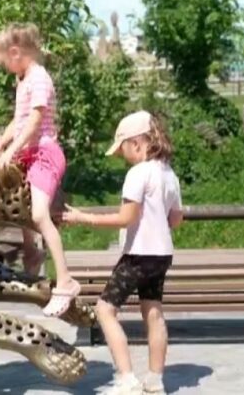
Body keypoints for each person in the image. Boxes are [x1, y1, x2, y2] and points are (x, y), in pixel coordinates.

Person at [63, 111, 182, 395]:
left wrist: (83, 217)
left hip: (139, 254)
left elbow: (125, 217)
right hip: (162, 254)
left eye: (124, 148)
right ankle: (155, 380)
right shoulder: (169, 173)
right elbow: (176, 219)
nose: (122, 155)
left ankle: (126, 379)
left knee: (105, 310)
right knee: (153, 313)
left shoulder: (138, 173)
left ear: (138, 142)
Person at [0, 22, 78, 316]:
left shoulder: (39, 78)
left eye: (4, 61)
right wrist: (1, 145)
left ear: (15, 52)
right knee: (24, 213)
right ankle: (32, 255)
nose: (4, 67)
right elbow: (18, 119)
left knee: (39, 214)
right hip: (29, 156)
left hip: (44, 154)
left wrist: (12, 151)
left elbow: (35, 122)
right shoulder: (23, 79)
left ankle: (65, 281)